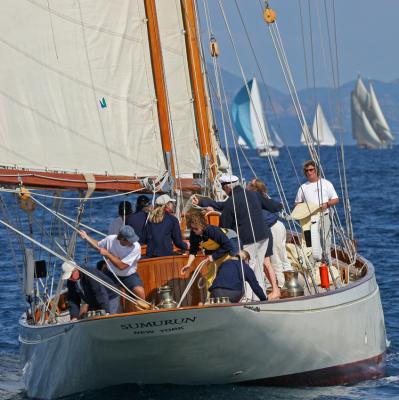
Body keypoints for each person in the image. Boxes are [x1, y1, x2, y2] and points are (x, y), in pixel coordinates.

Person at [218, 174, 281, 300]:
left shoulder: (231, 202)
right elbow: (274, 207)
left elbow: (224, 227)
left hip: (249, 241)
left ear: (227, 187)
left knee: (246, 271)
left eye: (223, 187)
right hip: (264, 236)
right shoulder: (254, 194)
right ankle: (260, 298)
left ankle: (248, 300)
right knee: (258, 269)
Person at [79, 225, 145, 301]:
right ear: (121, 239)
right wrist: (86, 237)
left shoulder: (136, 247)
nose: (132, 242)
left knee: (140, 292)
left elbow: (121, 266)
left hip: (128, 276)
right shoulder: (110, 239)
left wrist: (107, 254)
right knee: (96, 290)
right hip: (110, 273)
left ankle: (145, 311)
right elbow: (97, 245)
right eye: (130, 240)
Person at [247, 178, 291, 288]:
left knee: (275, 259)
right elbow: (276, 206)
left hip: (272, 227)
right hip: (278, 225)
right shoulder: (264, 197)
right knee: (282, 256)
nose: (246, 185)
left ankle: (281, 285)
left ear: (254, 188)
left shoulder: (255, 198)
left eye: (249, 184)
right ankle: (290, 281)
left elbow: (274, 207)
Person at [181, 210, 238, 291]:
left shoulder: (212, 231)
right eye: (192, 228)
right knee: (210, 278)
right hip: (216, 251)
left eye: (196, 228)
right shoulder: (194, 234)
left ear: (202, 225)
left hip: (231, 243)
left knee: (229, 272)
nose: (194, 230)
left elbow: (228, 246)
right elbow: (193, 250)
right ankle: (211, 298)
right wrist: (188, 264)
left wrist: (213, 256)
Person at [295, 160, 339, 264]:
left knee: (325, 240)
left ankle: (327, 262)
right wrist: (303, 209)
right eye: (306, 171)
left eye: (311, 170)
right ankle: (311, 263)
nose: (309, 172)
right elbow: (297, 203)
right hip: (308, 219)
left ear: (316, 170)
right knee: (309, 242)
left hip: (324, 216)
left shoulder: (326, 184)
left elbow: (336, 199)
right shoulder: (303, 187)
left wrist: (327, 204)